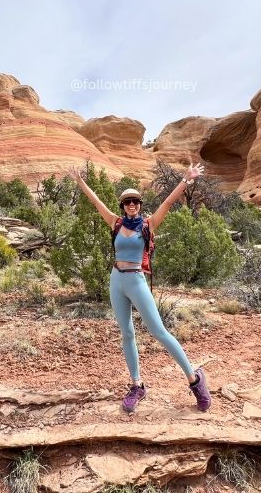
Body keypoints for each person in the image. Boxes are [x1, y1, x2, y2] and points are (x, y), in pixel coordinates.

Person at [67, 162, 212, 413]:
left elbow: (167, 202)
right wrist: (80, 182)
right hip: (116, 280)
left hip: (136, 279)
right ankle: (137, 385)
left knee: (159, 332)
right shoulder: (114, 223)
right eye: (126, 202)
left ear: (140, 205)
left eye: (135, 201)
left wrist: (186, 180)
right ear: (122, 206)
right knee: (127, 333)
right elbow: (96, 202)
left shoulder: (148, 224)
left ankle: (195, 380)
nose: (131, 205)